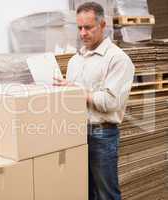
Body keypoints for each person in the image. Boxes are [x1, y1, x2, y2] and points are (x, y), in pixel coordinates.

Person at [54, 2, 135, 200]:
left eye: (88, 27)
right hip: (76, 133)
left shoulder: (118, 59)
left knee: (106, 194)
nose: (82, 33)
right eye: (79, 27)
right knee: (84, 191)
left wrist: (76, 91)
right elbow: (73, 97)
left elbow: (110, 102)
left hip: (102, 135)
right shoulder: (75, 60)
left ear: (102, 25)